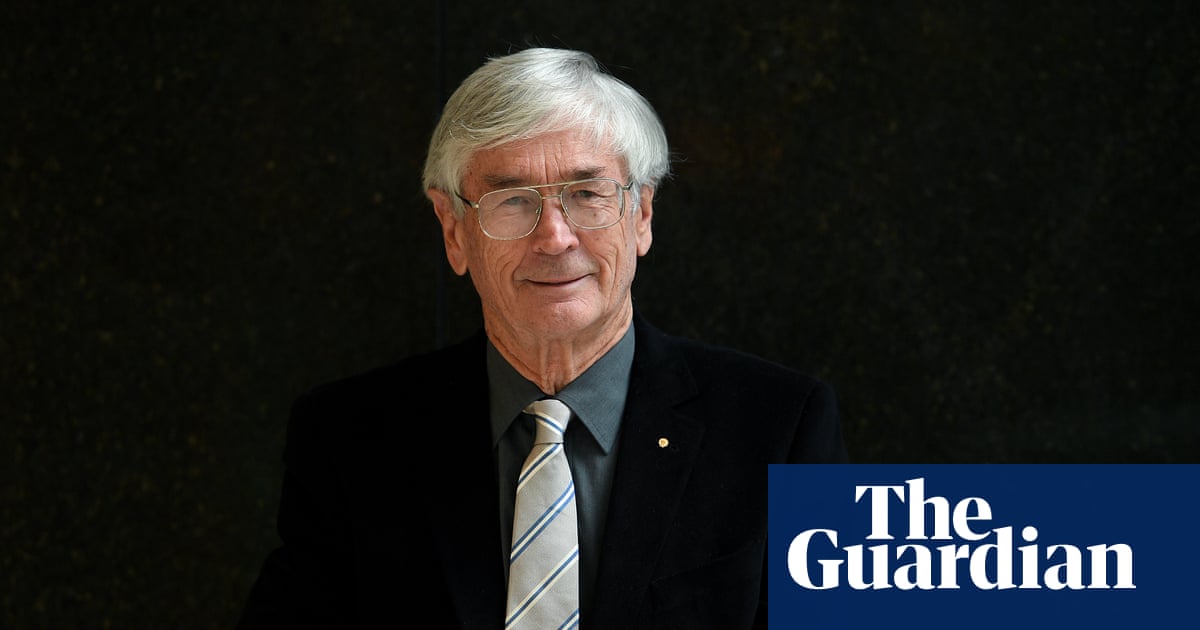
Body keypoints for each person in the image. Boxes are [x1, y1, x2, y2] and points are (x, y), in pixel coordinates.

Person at [237, 47, 848, 630]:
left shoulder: (785, 425)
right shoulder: (347, 438)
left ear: (641, 215)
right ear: (453, 230)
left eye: (587, 194)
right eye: (512, 200)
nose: (555, 238)